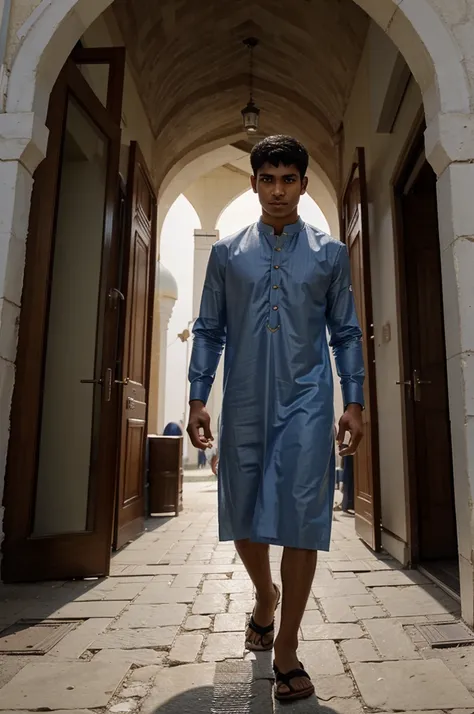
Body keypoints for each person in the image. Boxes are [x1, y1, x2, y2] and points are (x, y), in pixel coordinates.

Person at [187, 135, 364, 702]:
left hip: (309, 401)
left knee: (302, 516)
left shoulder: (330, 254)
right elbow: (210, 328)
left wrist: (353, 402)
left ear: (304, 185)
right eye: (269, 179)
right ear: (254, 183)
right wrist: (197, 398)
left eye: (289, 179)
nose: (279, 190)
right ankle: (266, 595)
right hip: (242, 399)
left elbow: (346, 333)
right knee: (241, 512)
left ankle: (286, 646)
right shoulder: (227, 254)